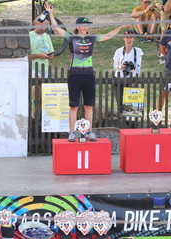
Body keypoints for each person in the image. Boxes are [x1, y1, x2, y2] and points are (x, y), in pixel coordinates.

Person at [49, 8, 129, 142]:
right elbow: (56, 29)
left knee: (88, 106)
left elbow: (107, 36)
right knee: (74, 106)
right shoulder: (72, 38)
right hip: (74, 74)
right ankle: (71, 133)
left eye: (87, 25)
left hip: (88, 75)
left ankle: (89, 132)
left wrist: (120, 27)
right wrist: (50, 13)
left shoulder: (91, 38)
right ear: (77, 27)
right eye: (83, 25)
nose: (86, 27)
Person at [113, 30, 143, 109]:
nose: (128, 40)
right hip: (119, 78)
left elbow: (138, 67)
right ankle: (120, 115)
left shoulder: (138, 51)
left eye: (130, 38)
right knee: (120, 102)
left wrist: (134, 74)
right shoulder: (118, 51)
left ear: (134, 39)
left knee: (130, 104)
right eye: (127, 37)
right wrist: (121, 66)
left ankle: (128, 117)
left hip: (131, 78)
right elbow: (115, 66)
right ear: (123, 38)